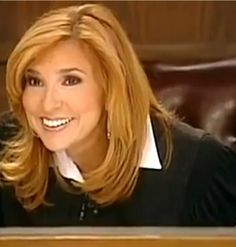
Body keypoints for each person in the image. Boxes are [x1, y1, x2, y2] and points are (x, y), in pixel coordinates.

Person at [0, 3, 236, 227]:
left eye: (71, 80)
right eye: (35, 81)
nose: (48, 104)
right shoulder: (6, 150)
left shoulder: (201, 169)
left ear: (112, 88)